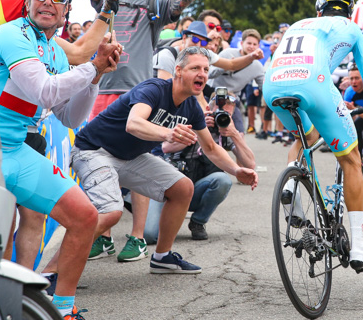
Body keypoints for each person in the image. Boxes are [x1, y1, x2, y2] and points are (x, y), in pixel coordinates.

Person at [0, 0, 122, 317]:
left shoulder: (56, 51)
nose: (47, 2)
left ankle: (61, 308)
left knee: (85, 216)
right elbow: (44, 91)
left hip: (14, 151)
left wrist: (96, 77)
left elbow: (70, 116)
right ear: (26, 1)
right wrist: (92, 66)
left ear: (67, 10)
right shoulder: (11, 34)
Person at [82, 0, 218, 262]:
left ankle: (138, 236)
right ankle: (103, 236)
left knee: (137, 162)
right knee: (97, 163)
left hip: (137, 94)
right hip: (101, 88)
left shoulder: (155, 7)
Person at [69, 47, 258, 275]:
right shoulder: (154, 88)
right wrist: (167, 133)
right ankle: (52, 272)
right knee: (111, 212)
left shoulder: (192, 108)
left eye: (206, 69)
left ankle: (162, 257)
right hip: (93, 150)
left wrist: (237, 170)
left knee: (182, 188)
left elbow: (210, 147)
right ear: (178, 70)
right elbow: (133, 123)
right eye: (195, 68)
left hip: (129, 157)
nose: (203, 74)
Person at [263, 0, 363, 271]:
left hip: (273, 86)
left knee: (305, 137)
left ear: (318, 11)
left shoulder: (297, 25)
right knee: (351, 160)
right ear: (349, 12)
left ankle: (291, 185)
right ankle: (359, 247)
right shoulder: (351, 27)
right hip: (315, 84)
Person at [144, 83, 256, 242]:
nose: (222, 113)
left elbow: (250, 164)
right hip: (171, 189)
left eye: (228, 110)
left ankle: (198, 222)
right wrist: (197, 129)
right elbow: (166, 147)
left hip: (196, 190)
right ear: (210, 107)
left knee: (223, 180)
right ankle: (162, 214)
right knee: (150, 236)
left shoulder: (225, 133)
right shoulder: (192, 118)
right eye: (219, 108)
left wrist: (234, 134)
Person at [207, 29, 265, 133]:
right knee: (206, 130)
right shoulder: (227, 53)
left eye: (254, 44)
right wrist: (226, 66)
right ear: (242, 43)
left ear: (258, 47)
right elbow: (209, 74)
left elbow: (264, 87)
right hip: (213, 95)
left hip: (232, 100)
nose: (251, 46)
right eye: (249, 43)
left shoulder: (258, 66)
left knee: (239, 132)